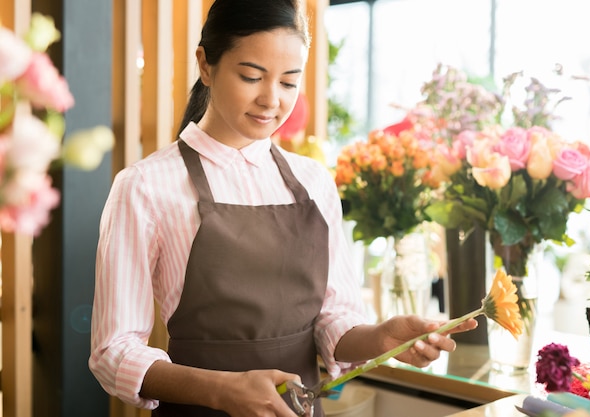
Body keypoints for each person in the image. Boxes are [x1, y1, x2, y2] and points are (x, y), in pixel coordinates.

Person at [88, 1, 477, 416]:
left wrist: (382, 337)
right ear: (205, 64)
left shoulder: (313, 182)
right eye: (251, 76)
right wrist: (222, 391)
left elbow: (331, 320)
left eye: (289, 82)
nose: (270, 100)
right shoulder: (146, 186)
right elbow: (114, 352)